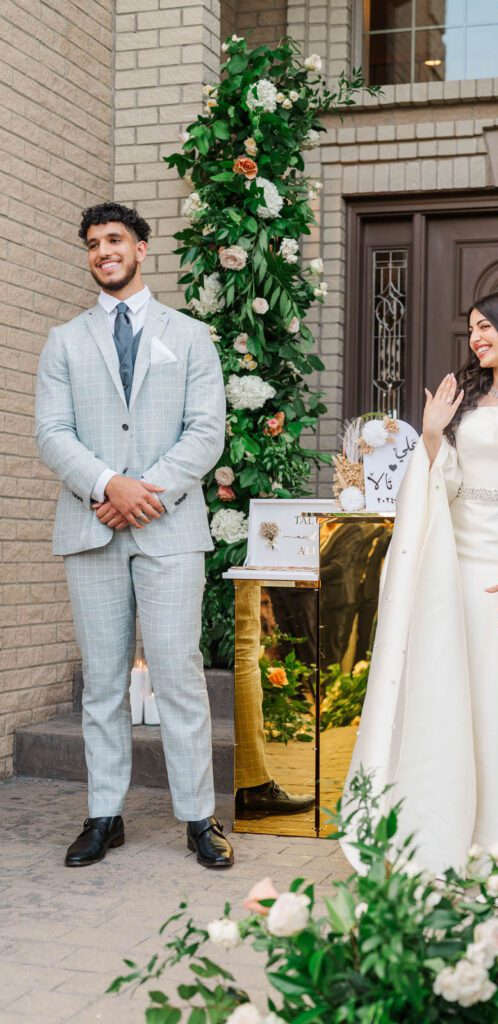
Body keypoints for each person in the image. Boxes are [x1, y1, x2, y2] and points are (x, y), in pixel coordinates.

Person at [342, 289, 498, 875]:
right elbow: (444, 485)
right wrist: (433, 433)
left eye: (486, 327)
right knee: (451, 697)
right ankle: (441, 834)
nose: (476, 337)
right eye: (472, 328)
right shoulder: (468, 404)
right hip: (452, 569)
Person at [35, 203, 234, 869]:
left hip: (169, 529)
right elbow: (52, 433)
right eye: (93, 244)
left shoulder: (190, 337)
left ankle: (199, 819)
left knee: (178, 675)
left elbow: (206, 431)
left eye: (114, 240)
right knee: (103, 683)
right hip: (92, 528)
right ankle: (104, 814)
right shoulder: (64, 341)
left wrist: (142, 489)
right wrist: (105, 484)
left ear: (141, 249)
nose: (103, 252)